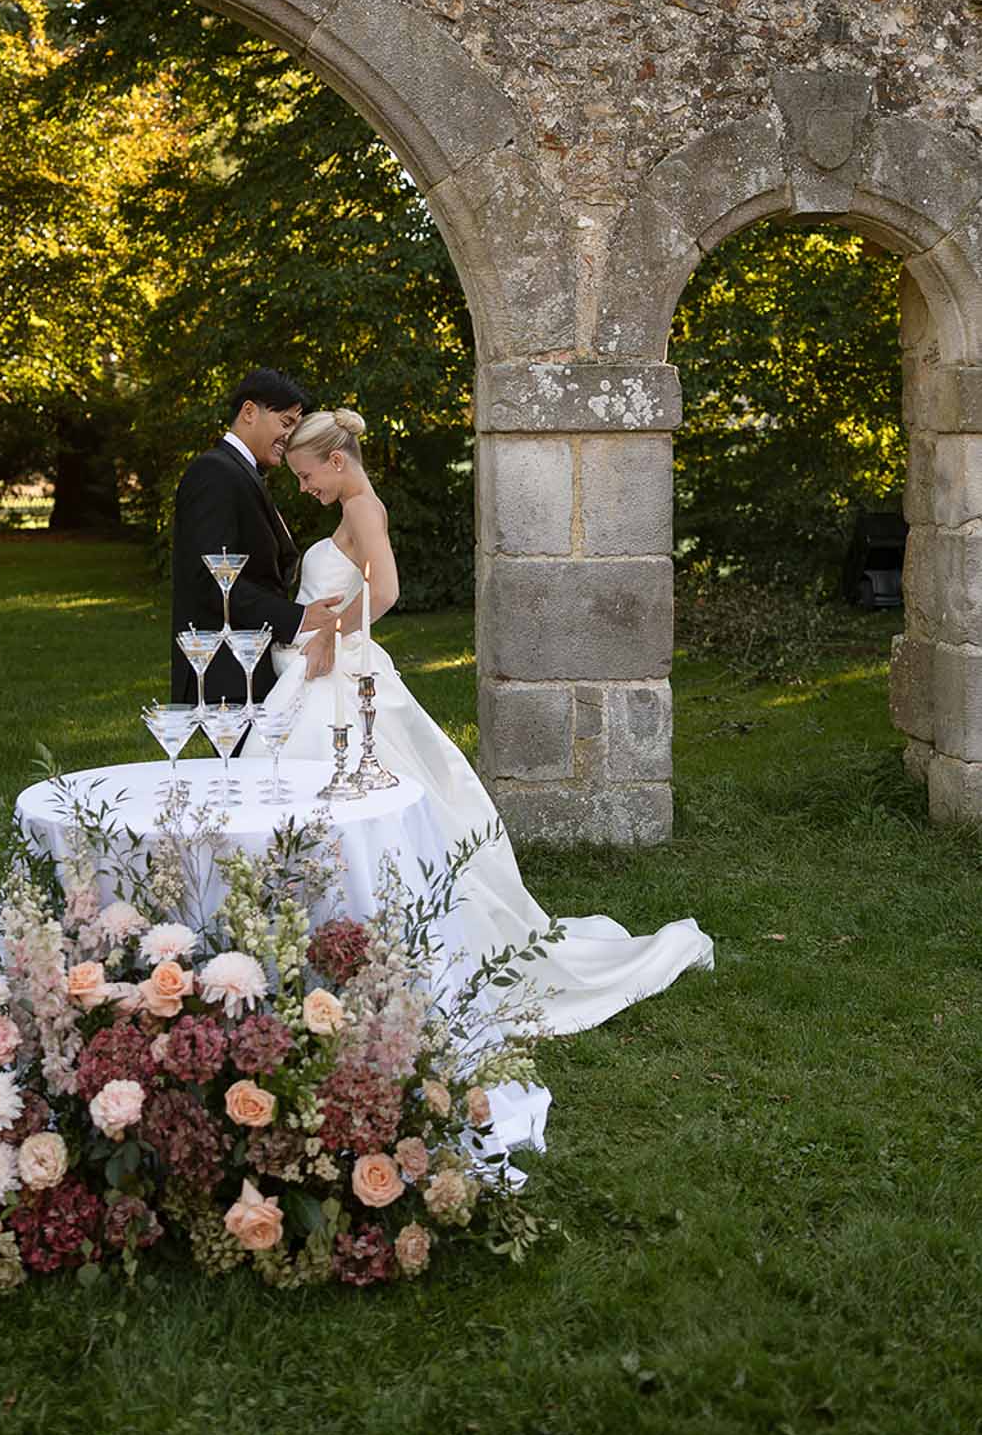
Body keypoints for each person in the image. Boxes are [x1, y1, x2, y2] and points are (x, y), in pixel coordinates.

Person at [247, 406, 715, 1042]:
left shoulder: (361, 508)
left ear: (336, 460)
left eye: (307, 476)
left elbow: (384, 593)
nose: (305, 489)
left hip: (340, 676)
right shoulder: (355, 508)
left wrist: (327, 633)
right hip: (321, 678)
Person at [170, 369, 345, 707]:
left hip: (249, 670)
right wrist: (297, 618)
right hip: (226, 675)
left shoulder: (240, 472)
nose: (291, 436)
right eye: (286, 422)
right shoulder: (215, 473)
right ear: (249, 412)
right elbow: (211, 580)